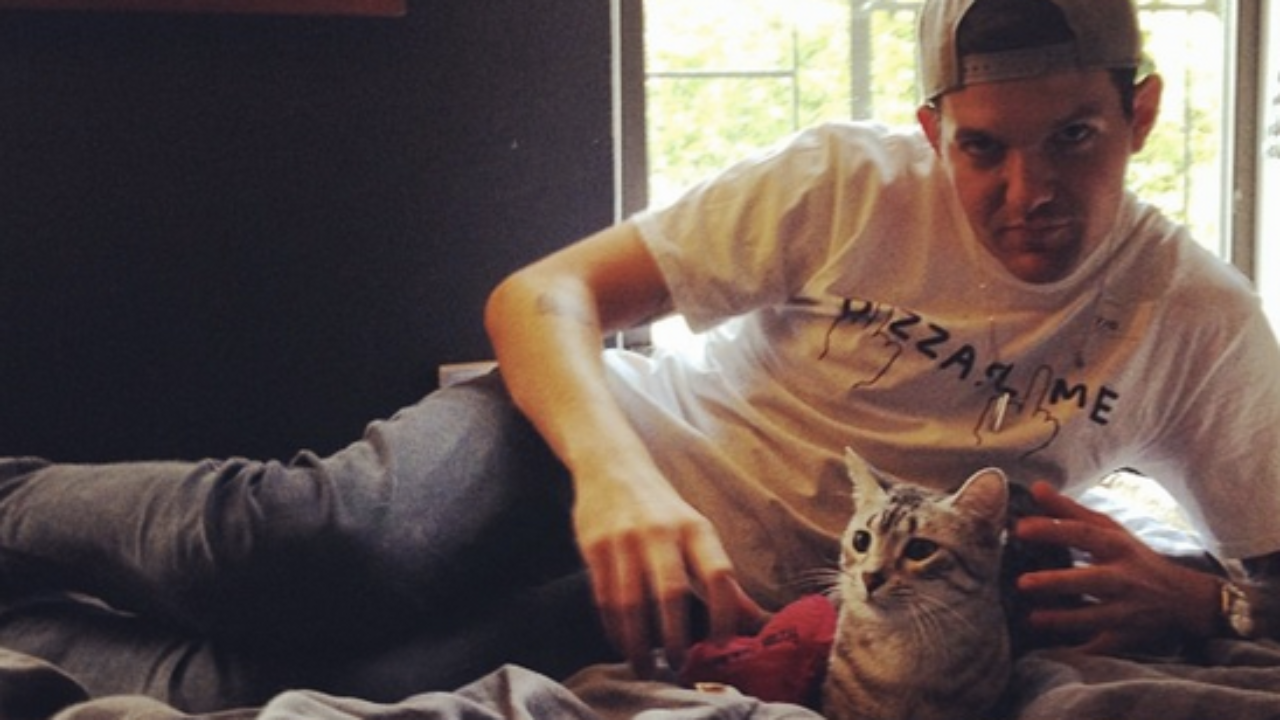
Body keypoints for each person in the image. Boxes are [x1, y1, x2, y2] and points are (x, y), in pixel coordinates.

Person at [0, 0, 1278, 711]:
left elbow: (1267, 575)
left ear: (1138, 113)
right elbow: (540, 295)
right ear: (931, 129)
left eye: (1071, 139)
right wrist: (619, 481)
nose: (1025, 193)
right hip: (580, 441)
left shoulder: (1196, 322)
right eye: (982, 149)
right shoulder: (843, 181)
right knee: (314, 544)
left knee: (315, 682)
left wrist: (1203, 601)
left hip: (708, 602)